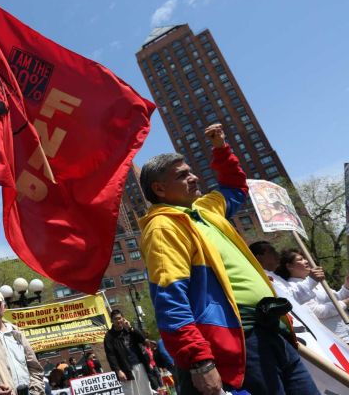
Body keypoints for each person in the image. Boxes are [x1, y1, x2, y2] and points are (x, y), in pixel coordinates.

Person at [138, 123, 318, 395]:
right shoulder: (163, 227)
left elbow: (235, 187)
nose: (195, 177)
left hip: (273, 331)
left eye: (191, 171)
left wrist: (221, 149)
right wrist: (199, 362)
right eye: (183, 175)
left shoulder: (206, 208)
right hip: (241, 343)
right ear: (160, 189)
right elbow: (170, 301)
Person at [275, 249, 349, 343]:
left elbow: (337, 298)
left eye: (305, 258)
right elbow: (318, 312)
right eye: (300, 259)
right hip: (336, 338)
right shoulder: (293, 289)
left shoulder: (316, 282)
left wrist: (347, 286)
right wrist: (345, 303)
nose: (306, 261)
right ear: (289, 266)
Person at [250, 240, 324, 303]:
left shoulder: (272, 275)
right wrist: (311, 280)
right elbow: (288, 297)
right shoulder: (263, 278)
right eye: (272, 252)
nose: (277, 254)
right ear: (259, 257)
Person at [103, 310, 152, 395]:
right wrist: (118, 371)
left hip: (139, 364)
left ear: (123, 318)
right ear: (112, 321)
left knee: (146, 390)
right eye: (115, 319)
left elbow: (143, 340)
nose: (118, 321)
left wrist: (131, 328)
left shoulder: (129, 330)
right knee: (132, 392)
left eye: (120, 318)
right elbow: (110, 355)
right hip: (125, 369)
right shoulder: (109, 336)